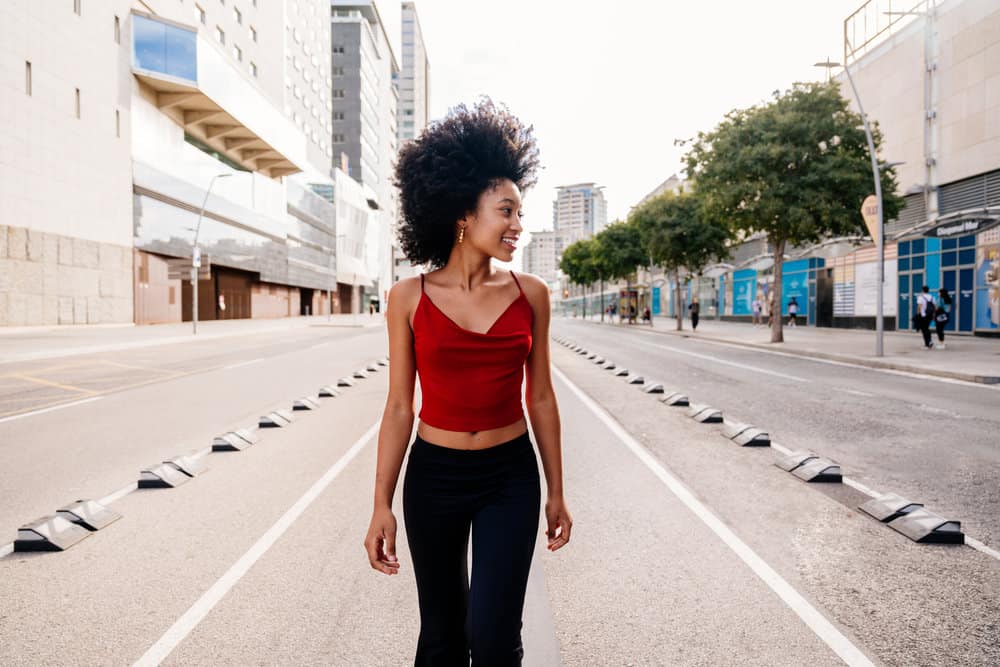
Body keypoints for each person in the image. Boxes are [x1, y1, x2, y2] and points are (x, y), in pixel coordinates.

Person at [364, 100, 572, 666]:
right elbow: (400, 407)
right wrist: (380, 502)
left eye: (519, 213)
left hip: (509, 475)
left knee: (495, 635)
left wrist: (555, 489)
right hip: (434, 478)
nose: (517, 225)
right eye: (506, 211)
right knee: (441, 638)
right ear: (464, 214)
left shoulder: (531, 295)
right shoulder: (408, 298)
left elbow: (543, 397)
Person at [915, 285, 935, 349]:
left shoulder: (920, 297)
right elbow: (935, 307)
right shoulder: (932, 297)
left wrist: (918, 315)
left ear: (923, 290)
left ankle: (927, 343)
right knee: (927, 328)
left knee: (924, 329)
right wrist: (934, 314)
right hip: (930, 315)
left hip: (923, 315)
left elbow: (919, 307)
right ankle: (929, 341)